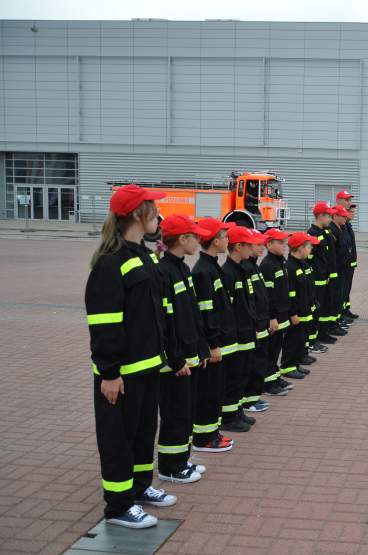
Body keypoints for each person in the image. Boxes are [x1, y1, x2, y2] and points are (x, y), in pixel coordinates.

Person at [86, 185, 174, 529]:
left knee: (141, 433)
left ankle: (139, 488)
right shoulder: (112, 263)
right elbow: (105, 322)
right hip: (120, 374)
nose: (158, 217)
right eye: (154, 211)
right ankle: (119, 507)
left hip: (147, 366)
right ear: (139, 215)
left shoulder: (143, 255)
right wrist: (109, 372)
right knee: (118, 439)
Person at [157, 215, 213, 484]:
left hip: (189, 357)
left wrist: (200, 349)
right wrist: (177, 359)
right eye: (195, 236)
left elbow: (192, 315)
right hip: (174, 364)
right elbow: (166, 322)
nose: (199, 241)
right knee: (175, 415)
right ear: (181, 239)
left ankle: (182, 459)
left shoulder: (181, 269)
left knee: (186, 412)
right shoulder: (164, 272)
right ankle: (170, 467)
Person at [191, 218, 237, 453]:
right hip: (212, 345)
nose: (228, 240)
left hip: (219, 340)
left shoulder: (211, 266)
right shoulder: (203, 271)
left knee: (215, 390)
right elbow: (206, 312)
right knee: (208, 392)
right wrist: (212, 343)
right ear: (216, 240)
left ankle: (212, 431)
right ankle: (203, 438)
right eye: (225, 236)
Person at [219, 226, 261, 432]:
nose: (253, 248)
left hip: (246, 331)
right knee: (233, 377)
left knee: (242, 374)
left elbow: (248, 303)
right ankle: (228, 417)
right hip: (236, 335)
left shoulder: (242, 269)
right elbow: (229, 310)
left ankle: (237, 411)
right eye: (249, 245)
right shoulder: (228, 273)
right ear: (238, 247)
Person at [259, 229, 297, 395]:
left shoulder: (280, 261)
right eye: (280, 242)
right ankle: (268, 383)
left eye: (285, 242)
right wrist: (271, 317)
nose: (284, 245)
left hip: (283, 313)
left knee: (276, 350)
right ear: (269, 244)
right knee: (271, 350)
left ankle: (274, 377)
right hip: (275, 317)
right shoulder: (268, 265)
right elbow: (268, 296)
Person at [281, 232, 319, 380]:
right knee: (292, 340)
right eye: (308, 246)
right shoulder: (290, 267)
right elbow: (291, 294)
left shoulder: (302, 264)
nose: (311, 249)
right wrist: (293, 313)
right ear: (299, 248)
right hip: (297, 313)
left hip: (305, 309)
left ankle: (296, 363)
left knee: (301, 339)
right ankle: (287, 366)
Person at [240, 229, 270, 414]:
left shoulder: (253, 266)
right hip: (254, 325)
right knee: (251, 365)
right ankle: (248, 400)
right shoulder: (246, 268)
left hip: (260, 323)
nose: (261, 248)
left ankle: (253, 397)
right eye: (257, 244)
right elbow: (250, 301)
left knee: (259, 362)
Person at [308, 202, 339, 345]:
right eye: (328, 216)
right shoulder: (312, 233)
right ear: (320, 216)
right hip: (316, 279)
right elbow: (309, 258)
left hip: (325, 277)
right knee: (316, 309)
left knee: (325, 307)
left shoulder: (324, 231)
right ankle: (314, 338)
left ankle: (323, 333)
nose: (330, 219)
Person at [335, 192, 359, 319]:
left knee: (346, 290)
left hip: (348, 265)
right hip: (341, 266)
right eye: (347, 200)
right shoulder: (339, 225)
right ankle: (340, 314)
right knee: (340, 291)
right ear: (339, 201)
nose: (349, 203)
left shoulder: (347, 225)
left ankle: (345, 310)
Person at [332, 206, 354, 329]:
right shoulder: (333, 230)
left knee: (342, 293)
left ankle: (339, 317)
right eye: (343, 216)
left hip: (344, 268)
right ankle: (335, 320)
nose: (345, 217)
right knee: (336, 296)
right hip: (338, 270)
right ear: (335, 216)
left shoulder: (342, 228)